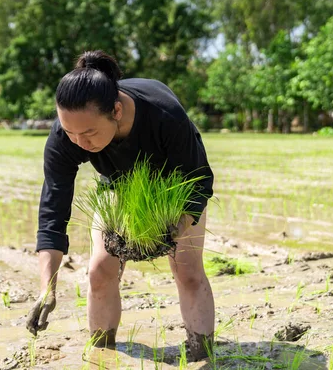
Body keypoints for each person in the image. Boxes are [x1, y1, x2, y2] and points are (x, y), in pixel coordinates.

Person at [25, 50, 215, 361]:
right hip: (118, 182)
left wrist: (171, 231)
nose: (79, 143)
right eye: (70, 132)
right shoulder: (67, 136)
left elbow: (199, 182)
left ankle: (203, 355)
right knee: (99, 270)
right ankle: (102, 353)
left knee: (187, 269)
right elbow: (52, 214)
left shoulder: (165, 116)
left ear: (116, 110)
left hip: (176, 183)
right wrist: (48, 288)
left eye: (89, 133)